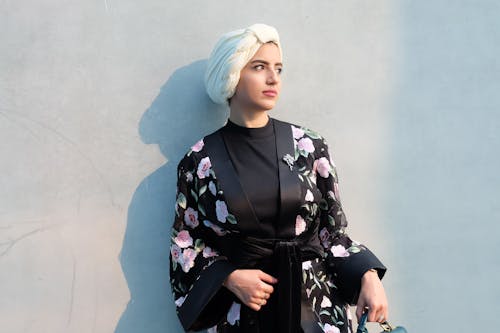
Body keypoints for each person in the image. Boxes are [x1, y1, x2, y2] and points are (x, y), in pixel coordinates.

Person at [169, 23, 389, 333]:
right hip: (244, 313)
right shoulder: (200, 160)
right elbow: (185, 243)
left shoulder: (310, 146)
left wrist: (367, 275)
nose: (273, 78)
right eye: (259, 67)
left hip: (316, 309)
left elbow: (332, 232)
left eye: (279, 69)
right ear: (231, 74)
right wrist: (229, 277)